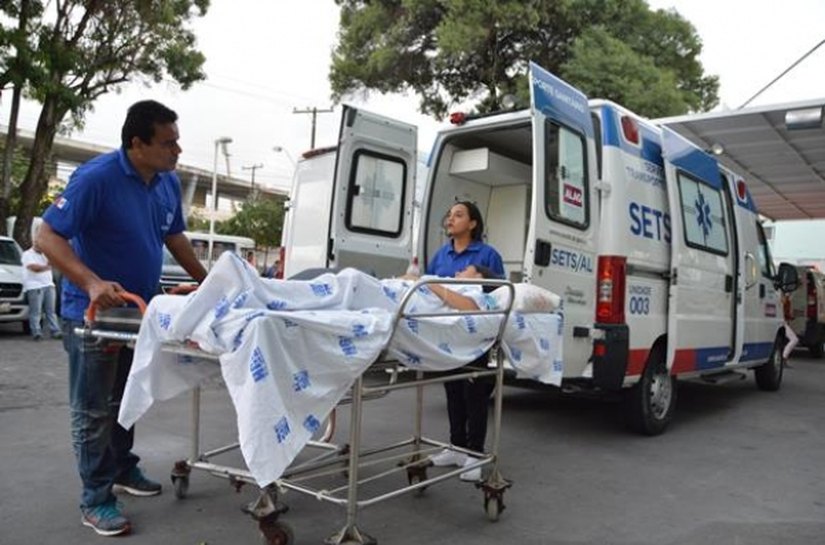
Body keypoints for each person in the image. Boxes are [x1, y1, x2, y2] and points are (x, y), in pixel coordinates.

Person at [38, 100, 208, 537]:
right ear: (137, 144)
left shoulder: (166, 182)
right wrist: (92, 282)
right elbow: (46, 235)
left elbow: (174, 237)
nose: (177, 150)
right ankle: (95, 500)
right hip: (91, 314)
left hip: (137, 314)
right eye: (168, 142)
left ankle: (121, 468)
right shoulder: (96, 179)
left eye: (177, 141)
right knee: (93, 410)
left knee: (125, 399)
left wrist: (211, 283)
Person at [421, 201, 505, 482]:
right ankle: (456, 447)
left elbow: (498, 295)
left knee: (475, 393)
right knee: (453, 391)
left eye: (458, 215)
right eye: (449, 215)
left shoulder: (487, 255)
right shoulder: (441, 255)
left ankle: (475, 454)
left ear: (472, 224)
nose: (450, 219)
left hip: (475, 336)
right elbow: (427, 286)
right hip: (447, 335)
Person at [21, 237, 62, 340]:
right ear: (34, 243)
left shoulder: (45, 254)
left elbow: (56, 262)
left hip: (49, 285)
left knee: (51, 311)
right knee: (36, 311)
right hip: (35, 286)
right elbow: (34, 268)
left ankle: (55, 331)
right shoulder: (27, 254)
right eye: (38, 244)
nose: (40, 246)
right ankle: (36, 332)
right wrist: (47, 267)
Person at [782, 290, 799, 368]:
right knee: (794, 339)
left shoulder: (786, 299)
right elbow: (784, 312)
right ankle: (784, 358)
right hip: (782, 322)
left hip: (783, 322)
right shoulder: (786, 299)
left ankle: (783, 358)